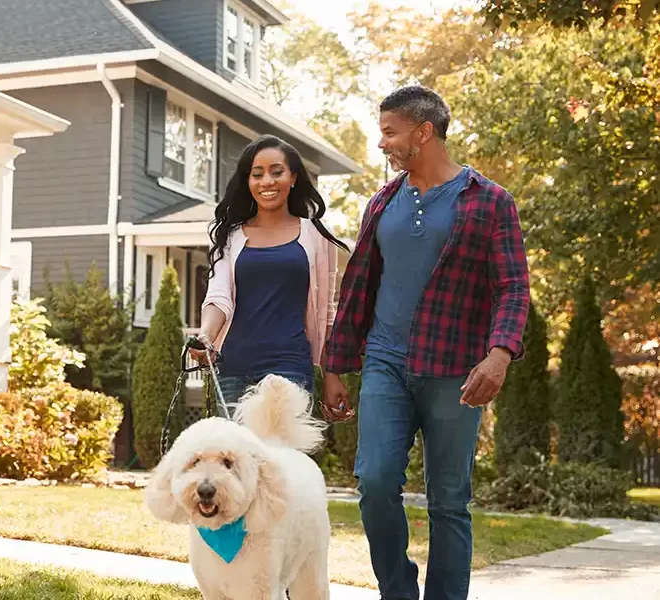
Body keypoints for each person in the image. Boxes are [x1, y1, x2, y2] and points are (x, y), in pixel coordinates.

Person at [321, 85, 531, 600]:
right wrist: (334, 365)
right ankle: (397, 591)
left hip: (456, 369)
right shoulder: (383, 202)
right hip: (386, 363)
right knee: (373, 483)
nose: (383, 144)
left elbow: (512, 286)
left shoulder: (490, 201)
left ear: (423, 132)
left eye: (390, 133)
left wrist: (499, 354)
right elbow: (358, 287)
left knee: (449, 500)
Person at [190, 134, 349, 409]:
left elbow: (326, 314)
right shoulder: (230, 236)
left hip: (290, 369)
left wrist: (331, 375)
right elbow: (218, 297)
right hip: (233, 370)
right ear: (248, 181)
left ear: (294, 177)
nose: (267, 182)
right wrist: (206, 335)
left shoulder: (317, 236)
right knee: (237, 453)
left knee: (282, 452)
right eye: (257, 174)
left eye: (277, 172)